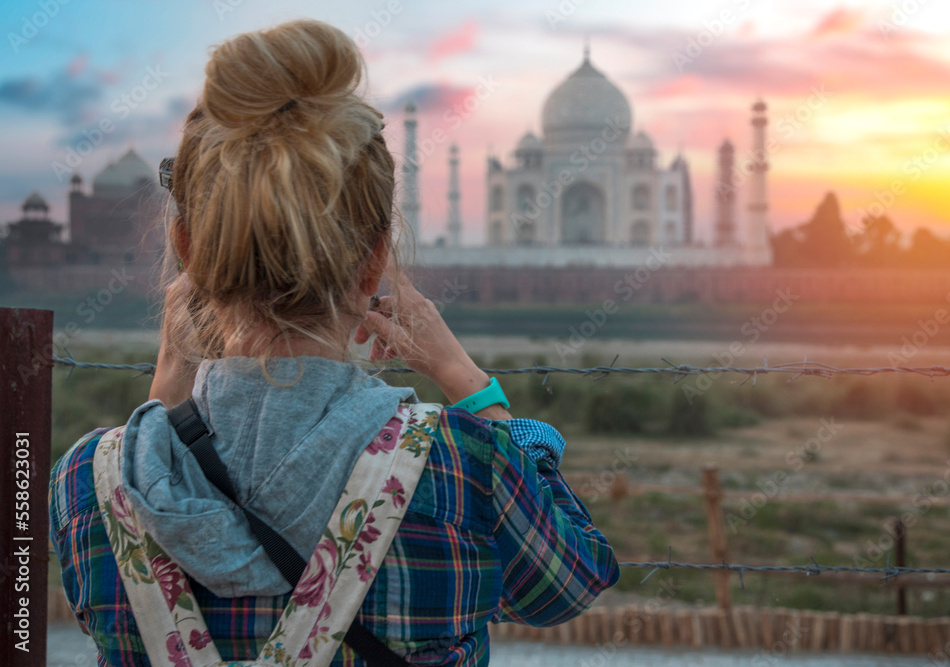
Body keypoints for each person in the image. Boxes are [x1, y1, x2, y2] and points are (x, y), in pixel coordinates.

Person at [48, 18, 619, 665]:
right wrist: (465, 377)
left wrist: (168, 387)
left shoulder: (90, 486)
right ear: (377, 260)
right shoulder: (462, 470)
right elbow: (569, 582)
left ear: (187, 253)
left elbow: (154, 481)